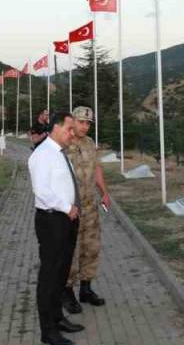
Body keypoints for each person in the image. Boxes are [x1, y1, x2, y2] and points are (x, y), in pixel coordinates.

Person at [28, 111, 85, 345]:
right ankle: (47, 331)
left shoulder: (60, 153)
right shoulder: (42, 154)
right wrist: (66, 206)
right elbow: (41, 191)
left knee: (61, 273)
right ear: (56, 128)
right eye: (69, 128)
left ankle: (57, 317)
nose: (73, 133)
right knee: (50, 276)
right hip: (52, 221)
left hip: (66, 220)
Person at [62, 106, 111, 315]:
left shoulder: (90, 143)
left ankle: (86, 289)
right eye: (81, 122)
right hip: (71, 207)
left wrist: (105, 193)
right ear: (72, 121)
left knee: (91, 248)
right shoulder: (63, 143)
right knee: (70, 251)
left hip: (90, 207)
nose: (84, 126)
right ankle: (67, 293)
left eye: (88, 123)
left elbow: (97, 168)